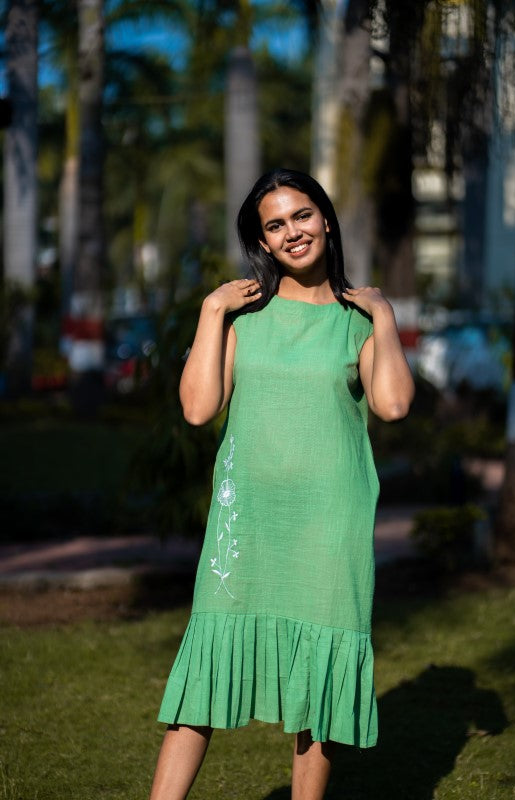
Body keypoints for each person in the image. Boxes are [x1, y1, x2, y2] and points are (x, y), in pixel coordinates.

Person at [149, 168, 415, 800]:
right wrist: (212, 309)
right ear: (263, 243)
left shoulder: (357, 320)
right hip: (247, 520)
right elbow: (196, 408)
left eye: (302, 215)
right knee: (204, 670)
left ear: (326, 219)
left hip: (330, 521)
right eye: (276, 224)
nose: (292, 231)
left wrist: (382, 314)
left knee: (318, 689)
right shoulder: (242, 316)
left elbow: (394, 405)